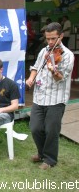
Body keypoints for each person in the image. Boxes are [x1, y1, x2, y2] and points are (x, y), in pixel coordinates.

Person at [26, 22, 74, 170]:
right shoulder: (43, 51)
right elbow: (35, 67)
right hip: (40, 96)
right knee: (35, 128)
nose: (51, 42)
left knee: (51, 130)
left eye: (53, 38)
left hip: (56, 99)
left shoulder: (67, 56)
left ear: (61, 36)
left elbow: (61, 78)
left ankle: (50, 159)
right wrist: (31, 78)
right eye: (48, 39)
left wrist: (53, 71)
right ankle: (41, 153)